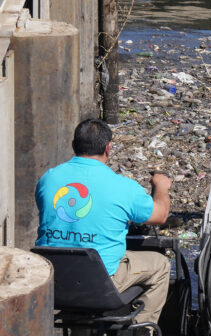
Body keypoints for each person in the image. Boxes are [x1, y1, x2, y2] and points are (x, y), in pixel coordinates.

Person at [35, 118, 172, 326]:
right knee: (161, 265)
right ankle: (141, 331)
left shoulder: (48, 178)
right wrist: (161, 186)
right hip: (100, 284)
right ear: (109, 148)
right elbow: (160, 215)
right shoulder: (123, 186)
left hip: (54, 281)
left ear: (74, 145)